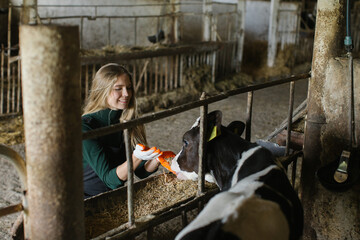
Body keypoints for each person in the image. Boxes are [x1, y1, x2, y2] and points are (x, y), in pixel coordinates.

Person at [82, 63, 161, 199]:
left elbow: (141, 171)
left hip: (115, 197)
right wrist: (136, 157)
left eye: (129, 88)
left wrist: (159, 159)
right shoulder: (86, 126)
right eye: (118, 89)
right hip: (86, 200)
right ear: (102, 91)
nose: (126, 94)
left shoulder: (127, 119)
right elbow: (109, 180)